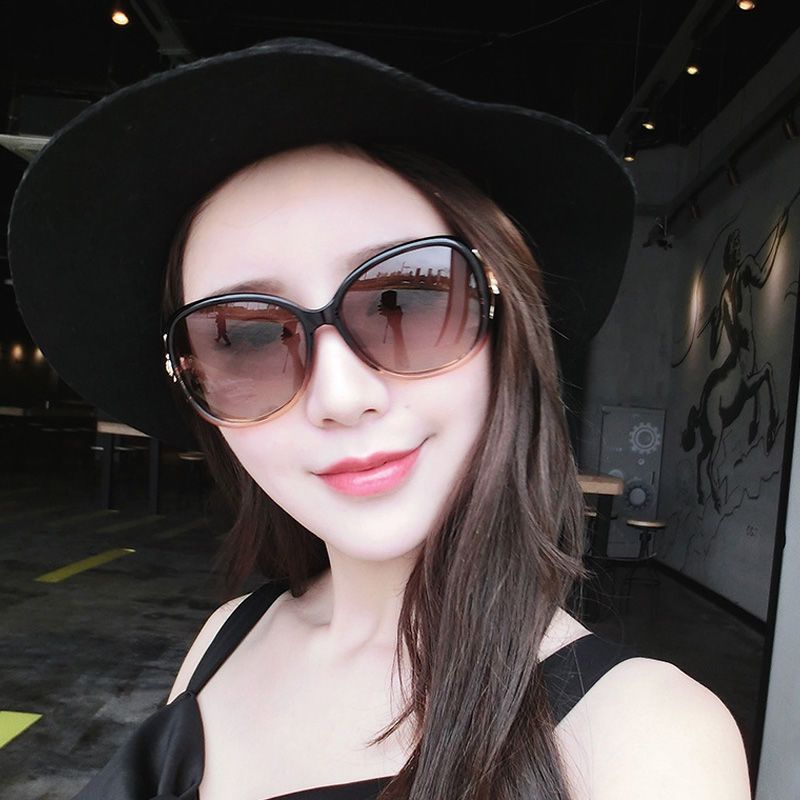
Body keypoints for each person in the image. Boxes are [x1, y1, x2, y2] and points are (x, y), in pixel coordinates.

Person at [8, 38, 750, 800]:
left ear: (505, 323)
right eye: (248, 338)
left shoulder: (647, 743)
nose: (340, 394)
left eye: (408, 299)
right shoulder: (225, 641)